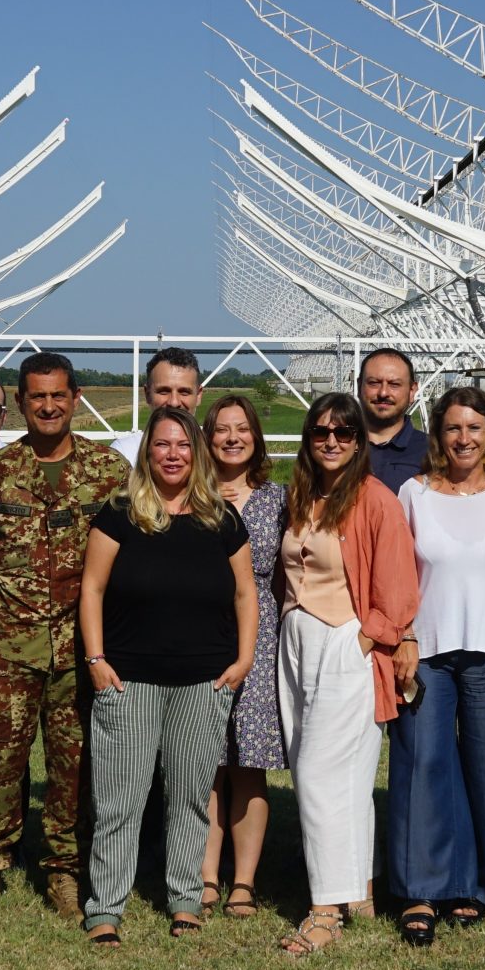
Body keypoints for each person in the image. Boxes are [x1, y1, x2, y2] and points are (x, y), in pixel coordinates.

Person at [0, 351, 129, 922]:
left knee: (74, 766)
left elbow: (134, 548)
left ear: (76, 399)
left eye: (58, 396)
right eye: (35, 397)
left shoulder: (110, 475)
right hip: (8, 646)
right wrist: (9, 589)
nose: (47, 406)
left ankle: (64, 873)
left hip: (82, 648)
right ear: (20, 403)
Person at [80, 407, 257, 945]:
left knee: (186, 795)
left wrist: (242, 661)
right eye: (162, 444)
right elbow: (91, 589)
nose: (173, 454)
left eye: (182, 444)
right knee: (120, 798)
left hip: (204, 681)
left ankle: (185, 898)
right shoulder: (118, 515)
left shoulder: (221, 519)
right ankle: (105, 907)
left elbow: (247, 593)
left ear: (196, 452)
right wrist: (96, 661)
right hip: (128, 679)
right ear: (147, 452)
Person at [276, 392, 420, 956]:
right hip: (297, 641)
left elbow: (399, 589)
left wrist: (370, 636)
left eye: (344, 433)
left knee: (318, 773)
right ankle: (359, 883)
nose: (331, 441)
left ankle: (325, 910)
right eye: (320, 432)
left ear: (360, 442)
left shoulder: (376, 500)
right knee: (344, 774)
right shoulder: (303, 495)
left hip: (345, 642)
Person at [390, 386, 485, 943]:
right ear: (438, 435)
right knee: (423, 764)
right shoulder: (414, 492)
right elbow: (397, 573)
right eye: (452, 428)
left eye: (474, 428)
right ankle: (422, 888)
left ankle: (481, 884)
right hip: (428, 650)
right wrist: (402, 637)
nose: (463, 438)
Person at [201, 391, 286, 921]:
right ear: (207, 438)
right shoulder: (192, 494)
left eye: (242, 429)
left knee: (249, 762)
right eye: (222, 429)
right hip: (200, 632)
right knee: (204, 762)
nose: (233, 438)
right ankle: (206, 875)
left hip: (262, 634)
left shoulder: (278, 498)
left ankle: (245, 882)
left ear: (255, 437)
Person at [114, 346, 202, 460]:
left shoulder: (216, 453)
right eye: (164, 391)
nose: (174, 403)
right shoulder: (125, 453)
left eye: (184, 392)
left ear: (199, 395)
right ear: (147, 394)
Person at [359, 347, 427, 492]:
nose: (383, 393)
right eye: (374, 383)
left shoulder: (433, 452)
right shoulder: (337, 446)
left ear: (412, 391)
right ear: (359, 386)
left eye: (394, 384)